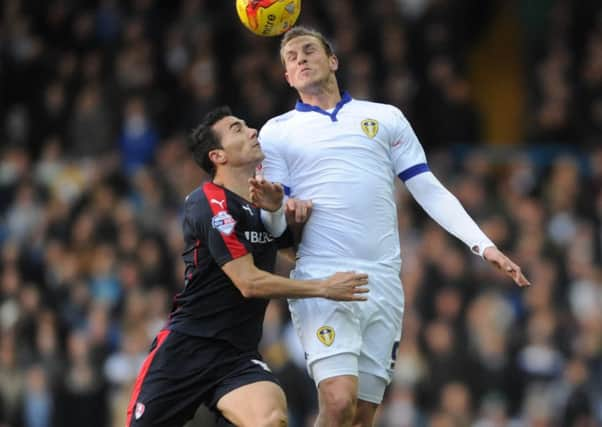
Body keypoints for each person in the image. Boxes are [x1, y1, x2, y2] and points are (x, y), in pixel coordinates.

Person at [257, 26, 530, 427]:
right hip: (323, 273)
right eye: (291, 57)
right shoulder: (277, 132)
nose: (300, 59)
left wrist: (483, 245)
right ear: (287, 77)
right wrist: (281, 208)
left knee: (362, 414)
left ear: (332, 60)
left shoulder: (384, 118)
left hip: (383, 279)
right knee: (336, 401)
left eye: (308, 50)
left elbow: (427, 188)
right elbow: (273, 224)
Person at [125, 106, 370, 427]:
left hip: (236, 355)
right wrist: (324, 288)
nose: (253, 131)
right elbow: (248, 282)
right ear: (218, 156)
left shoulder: (263, 201)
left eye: (247, 125)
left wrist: (281, 215)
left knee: (271, 420)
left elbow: (293, 255)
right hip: (187, 349)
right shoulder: (209, 201)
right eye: (237, 129)